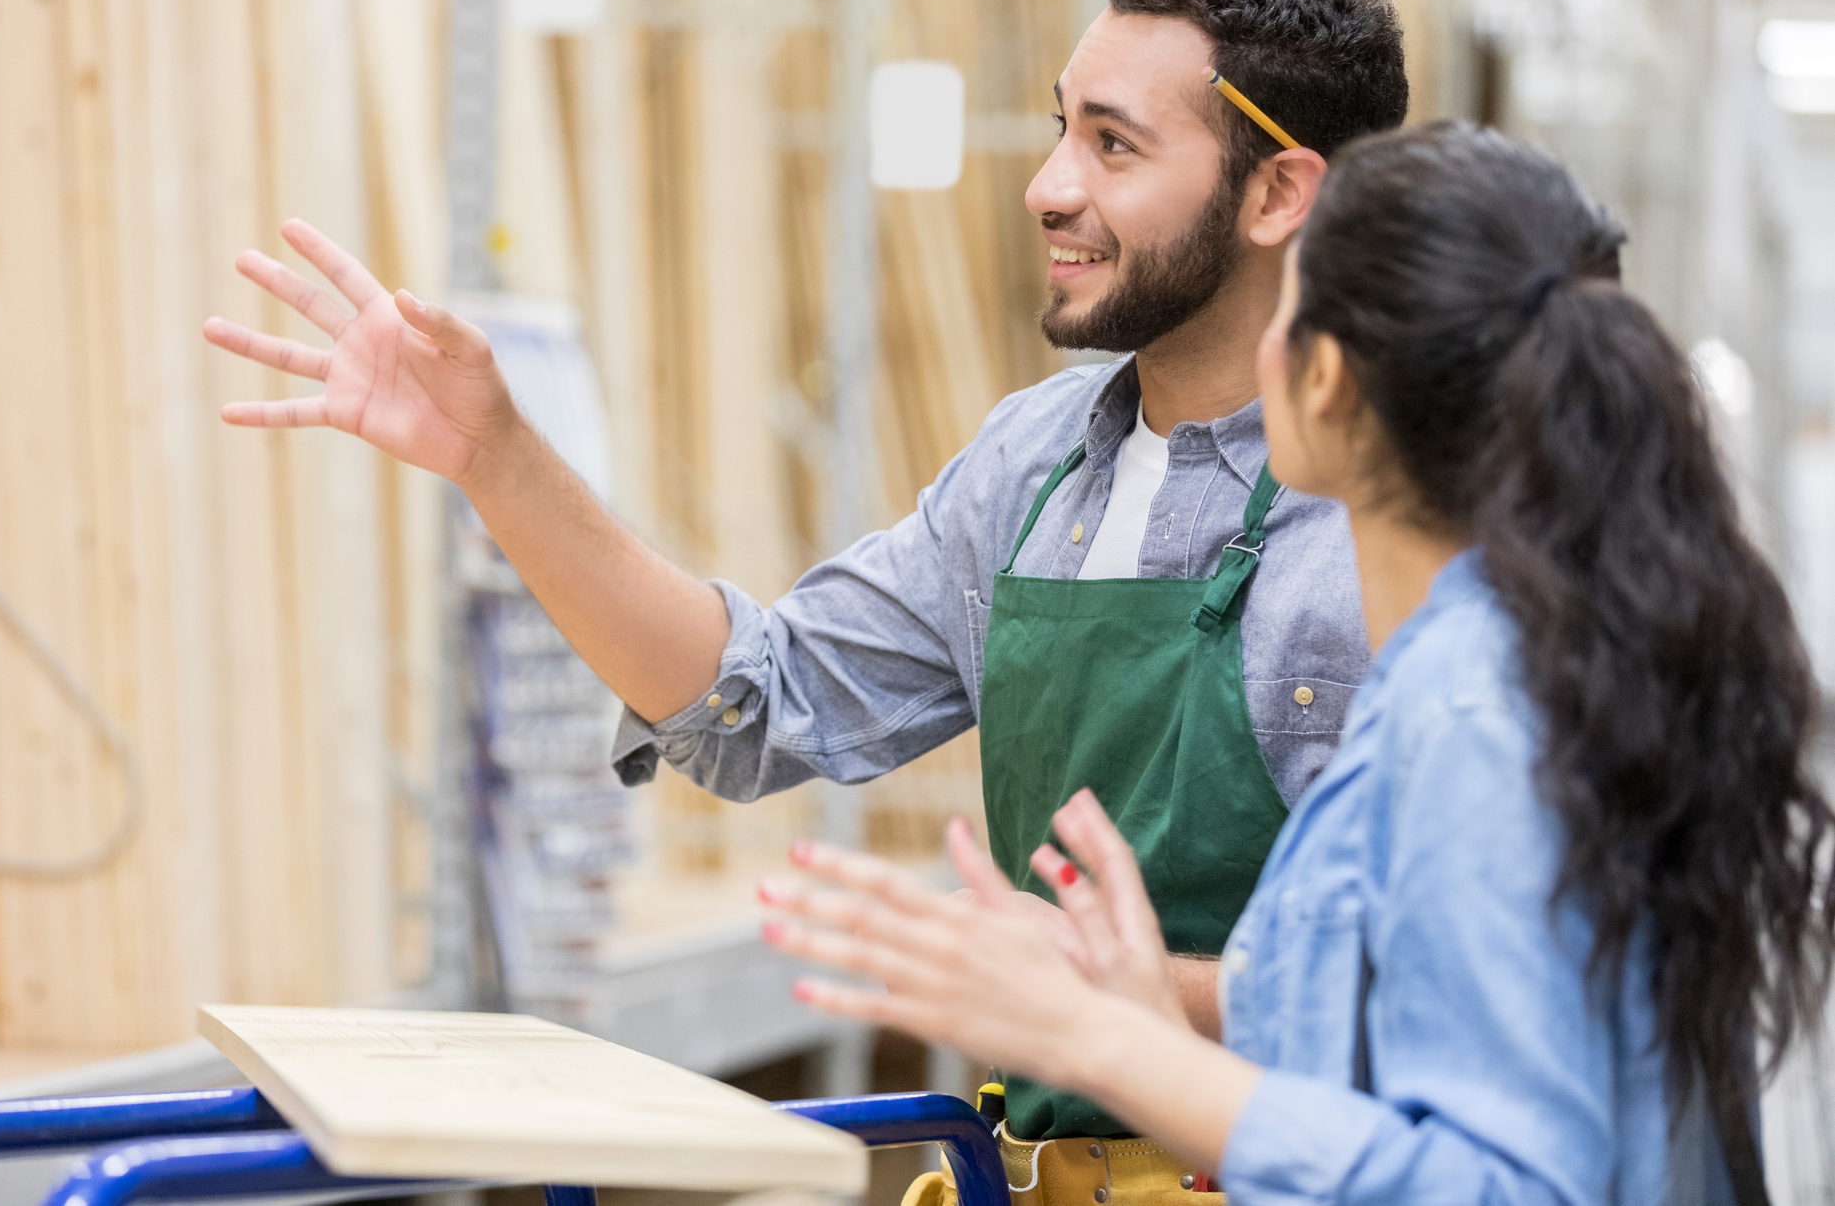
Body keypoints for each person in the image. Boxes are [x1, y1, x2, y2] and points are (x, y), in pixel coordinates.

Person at [202, 0, 1406, 1193]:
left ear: (1279, 193)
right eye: (1060, 128)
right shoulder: (1036, 462)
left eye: (1113, 143)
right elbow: (753, 705)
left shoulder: (1400, 516)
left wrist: (1112, 991)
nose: (1049, 184)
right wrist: (496, 456)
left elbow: (1446, 969)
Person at [756, 122, 1835, 1204]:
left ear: (1322, 379)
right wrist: (1132, 988)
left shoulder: (1477, 716)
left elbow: (1503, 1181)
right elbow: (1390, 1014)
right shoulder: (1491, 671)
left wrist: (1101, 1041)